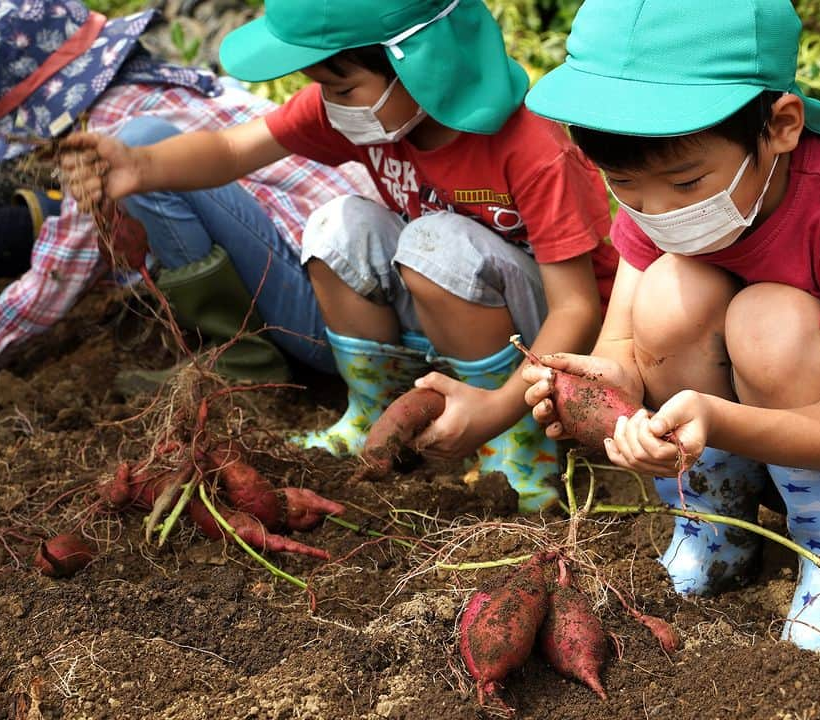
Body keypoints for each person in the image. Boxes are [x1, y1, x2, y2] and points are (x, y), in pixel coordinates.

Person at [520, 0, 820, 667]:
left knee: (769, 317)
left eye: (686, 181)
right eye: (626, 185)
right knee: (670, 294)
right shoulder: (656, 209)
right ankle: (719, 525)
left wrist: (713, 416)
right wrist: (613, 384)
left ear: (781, 125)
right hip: (748, 435)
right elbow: (625, 342)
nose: (657, 211)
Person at [60, 0, 619, 514]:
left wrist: (498, 409)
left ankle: (518, 450)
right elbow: (233, 148)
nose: (329, 104)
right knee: (338, 223)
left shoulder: (532, 148)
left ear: (425, 69)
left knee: (436, 243)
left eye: (343, 88)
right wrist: (140, 166)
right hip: (451, 312)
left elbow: (577, 309)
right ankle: (372, 409)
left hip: (552, 346)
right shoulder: (369, 111)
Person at [0, 0, 375, 393]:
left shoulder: (107, 134)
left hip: (336, 327)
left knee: (145, 158)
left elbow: (59, 272)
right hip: (373, 295)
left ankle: (241, 361)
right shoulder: (170, 84)